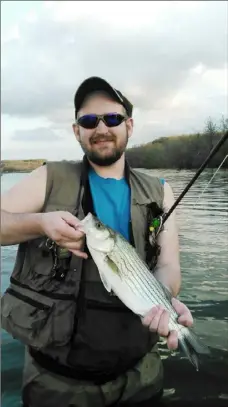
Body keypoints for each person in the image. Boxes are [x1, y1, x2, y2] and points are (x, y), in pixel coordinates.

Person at [1, 76, 193, 407]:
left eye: (113, 118)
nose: (101, 128)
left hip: (141, 377)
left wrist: (165, 301)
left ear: (129, 126)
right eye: (89, 120)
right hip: (57, 385)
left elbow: (168, 265)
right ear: (77, 130)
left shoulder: (161, 191)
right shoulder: (49, 178)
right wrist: (39, 223)